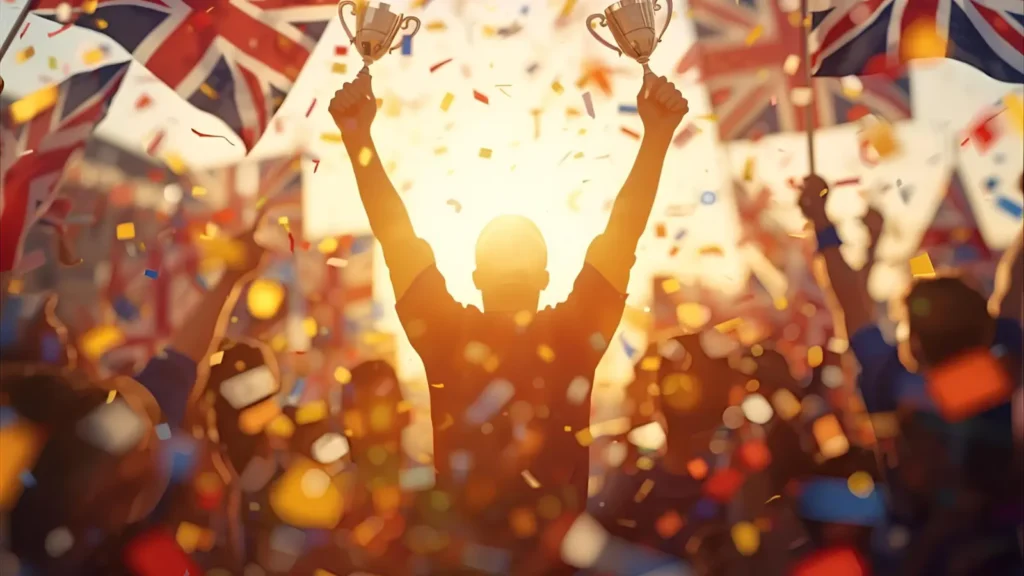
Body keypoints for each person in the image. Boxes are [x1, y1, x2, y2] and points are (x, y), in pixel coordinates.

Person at [330, 69, 687, 574]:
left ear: (476, 276)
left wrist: (358, 137)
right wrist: (655, 136)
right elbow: (620, 235)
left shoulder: (447, 336)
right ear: (546, 275)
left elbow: (397, 237)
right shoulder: (572, 337)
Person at [799, 175, 1023, 576]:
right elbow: (1013, 290)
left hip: (916, 559)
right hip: (1000, 556)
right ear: (985, 329)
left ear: (914, 343)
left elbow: (850, 303)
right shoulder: (998, 373)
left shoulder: (893, 384)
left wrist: (822, 223)